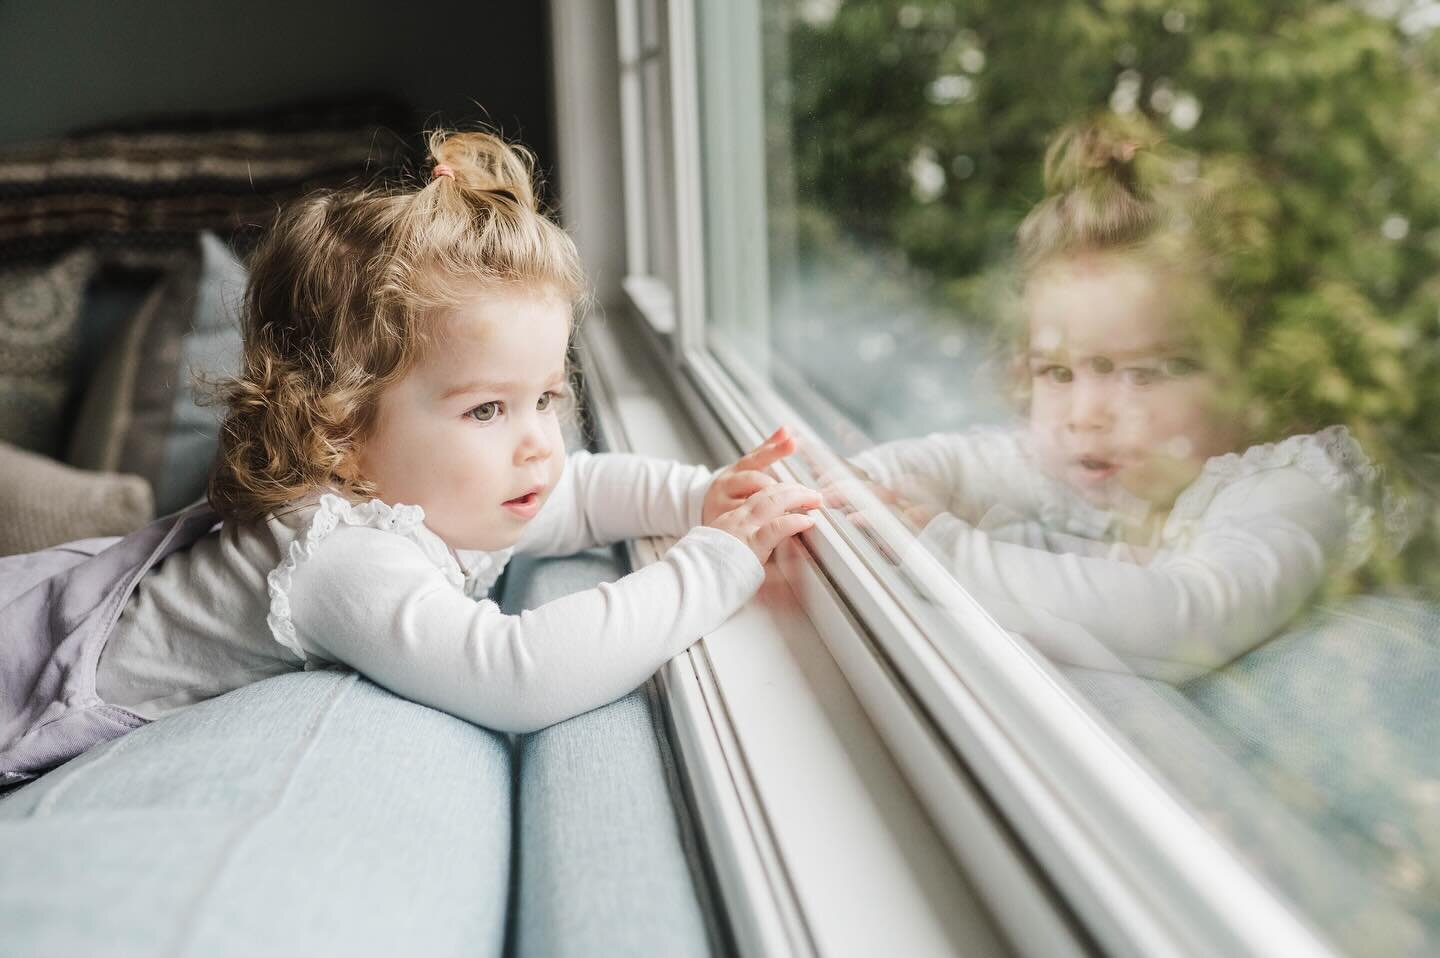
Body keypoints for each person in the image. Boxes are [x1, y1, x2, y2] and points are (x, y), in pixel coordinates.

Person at [0, 130, 819, 785]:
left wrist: (705, 495)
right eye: (488, 409)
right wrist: (715, 566)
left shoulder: (430, 489)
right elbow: (519, 674)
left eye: (546, 398)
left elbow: (581, 492)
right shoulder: (343, 558)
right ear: (342, 428)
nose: (539, 440)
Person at [834, 117, 1391, 682]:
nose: (1086, 416)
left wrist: (944, 554)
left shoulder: (1286, 493)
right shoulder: (1073, 461)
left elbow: (1185, 619)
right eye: (1057, 372)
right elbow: (949, 464)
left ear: (1250, 376)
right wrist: (851, 493)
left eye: (1145, 374)